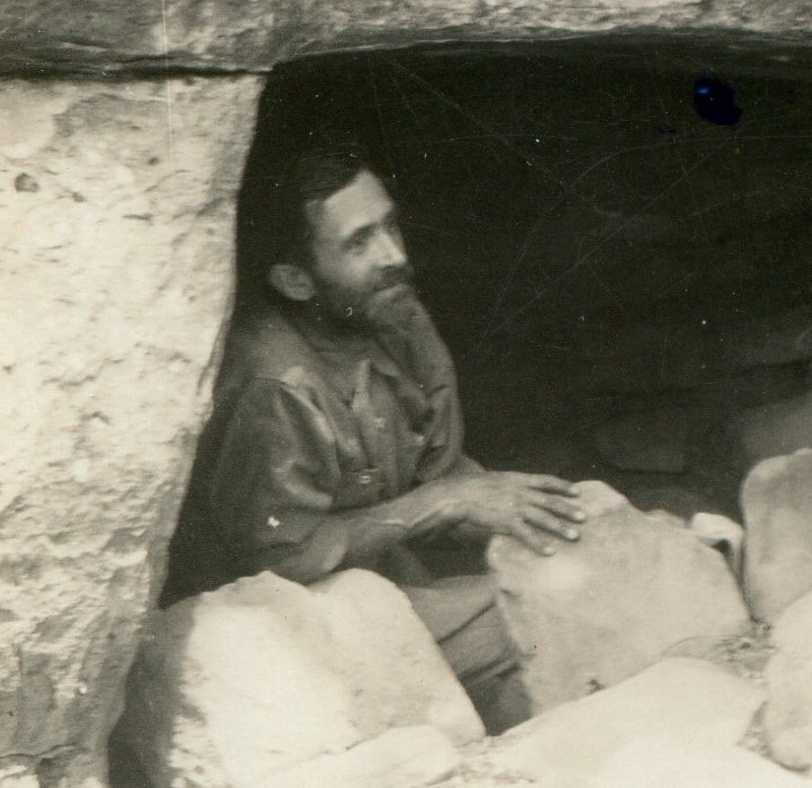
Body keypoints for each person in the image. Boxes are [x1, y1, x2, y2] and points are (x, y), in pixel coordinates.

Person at [165, 142, 585, 732]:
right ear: (294, 280)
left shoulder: (395, 316)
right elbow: (276, 565)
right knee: (548, 610)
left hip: (387, 581)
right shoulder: (276, 385)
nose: (394, 256)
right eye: (359, 242)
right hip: (280, 624)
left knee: (579, 557)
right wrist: (447, 504)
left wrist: (527, 510)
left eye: (390, 226)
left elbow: (440, 473)